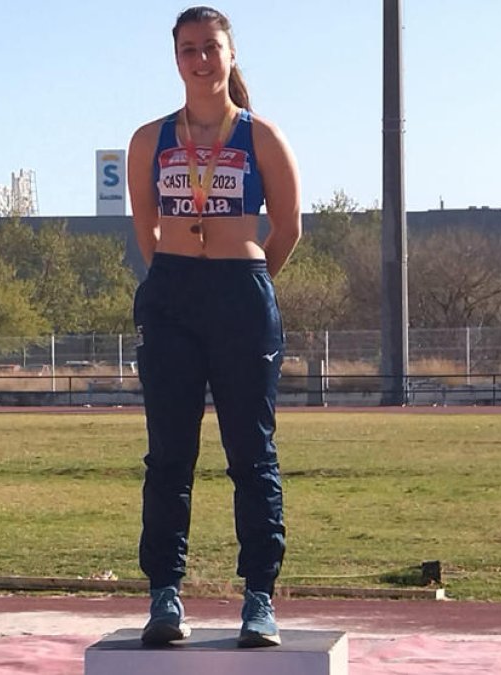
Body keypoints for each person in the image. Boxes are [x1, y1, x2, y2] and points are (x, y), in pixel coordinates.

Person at [126, 5, 301, 648]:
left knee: (251, 454)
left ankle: (259, 597)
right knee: (169, 454)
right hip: (172, 294)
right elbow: (145, 229)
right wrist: (175, 278)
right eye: (189, 49)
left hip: (241, 295)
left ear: (231, 55)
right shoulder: (150, 139)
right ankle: (165, 594)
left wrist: (247, 278)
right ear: (176, 59)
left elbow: (288, 227)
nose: (201, 59)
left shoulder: (260, 136)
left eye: (211, 47)